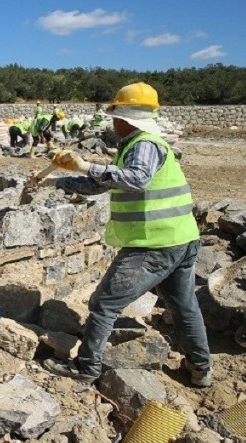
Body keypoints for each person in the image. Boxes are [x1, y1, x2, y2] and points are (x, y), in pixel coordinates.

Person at [42, 82, 212, 388]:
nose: (112, 123)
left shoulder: (143, 144)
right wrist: (61, 181)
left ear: (124, 118)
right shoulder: (141, 145)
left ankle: (86, 366)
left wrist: (86, 165)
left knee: (104, 304)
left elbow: (137, 180)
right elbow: (106, 183)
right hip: (181, 238)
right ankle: (201, 369)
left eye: (114, 117)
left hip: (154, 243)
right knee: (184, 305)